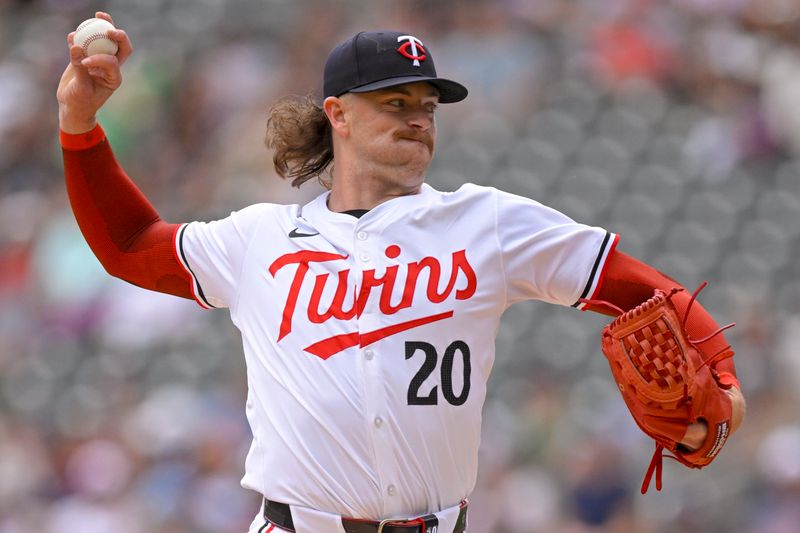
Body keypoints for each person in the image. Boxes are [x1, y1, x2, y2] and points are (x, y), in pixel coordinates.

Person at [57, 12, 745, 533]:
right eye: (395, 103)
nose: (418, 118)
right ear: (338, 115)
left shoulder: (488, 223)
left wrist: (723, 379)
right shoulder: (258, 239)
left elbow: (641, 285)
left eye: (427, 104)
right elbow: (131, 242)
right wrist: (80, 125)